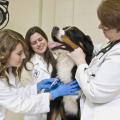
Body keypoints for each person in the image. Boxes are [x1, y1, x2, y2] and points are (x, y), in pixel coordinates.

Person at [0, 29, 80, 120]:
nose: (24, 57)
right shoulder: (27, 65)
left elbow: (16, 93)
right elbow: (19, 104)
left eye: (40, 39)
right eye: (19, 53)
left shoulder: (9, 71)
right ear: (4, 54)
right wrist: (53, 94)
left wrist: (37, 87)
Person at [68, 0, 120, 120]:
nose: (99, 26)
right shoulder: (112, 44)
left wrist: (81, 63)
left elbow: (95, 93)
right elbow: (97, 51)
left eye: (105, 25)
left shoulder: (118, 58)